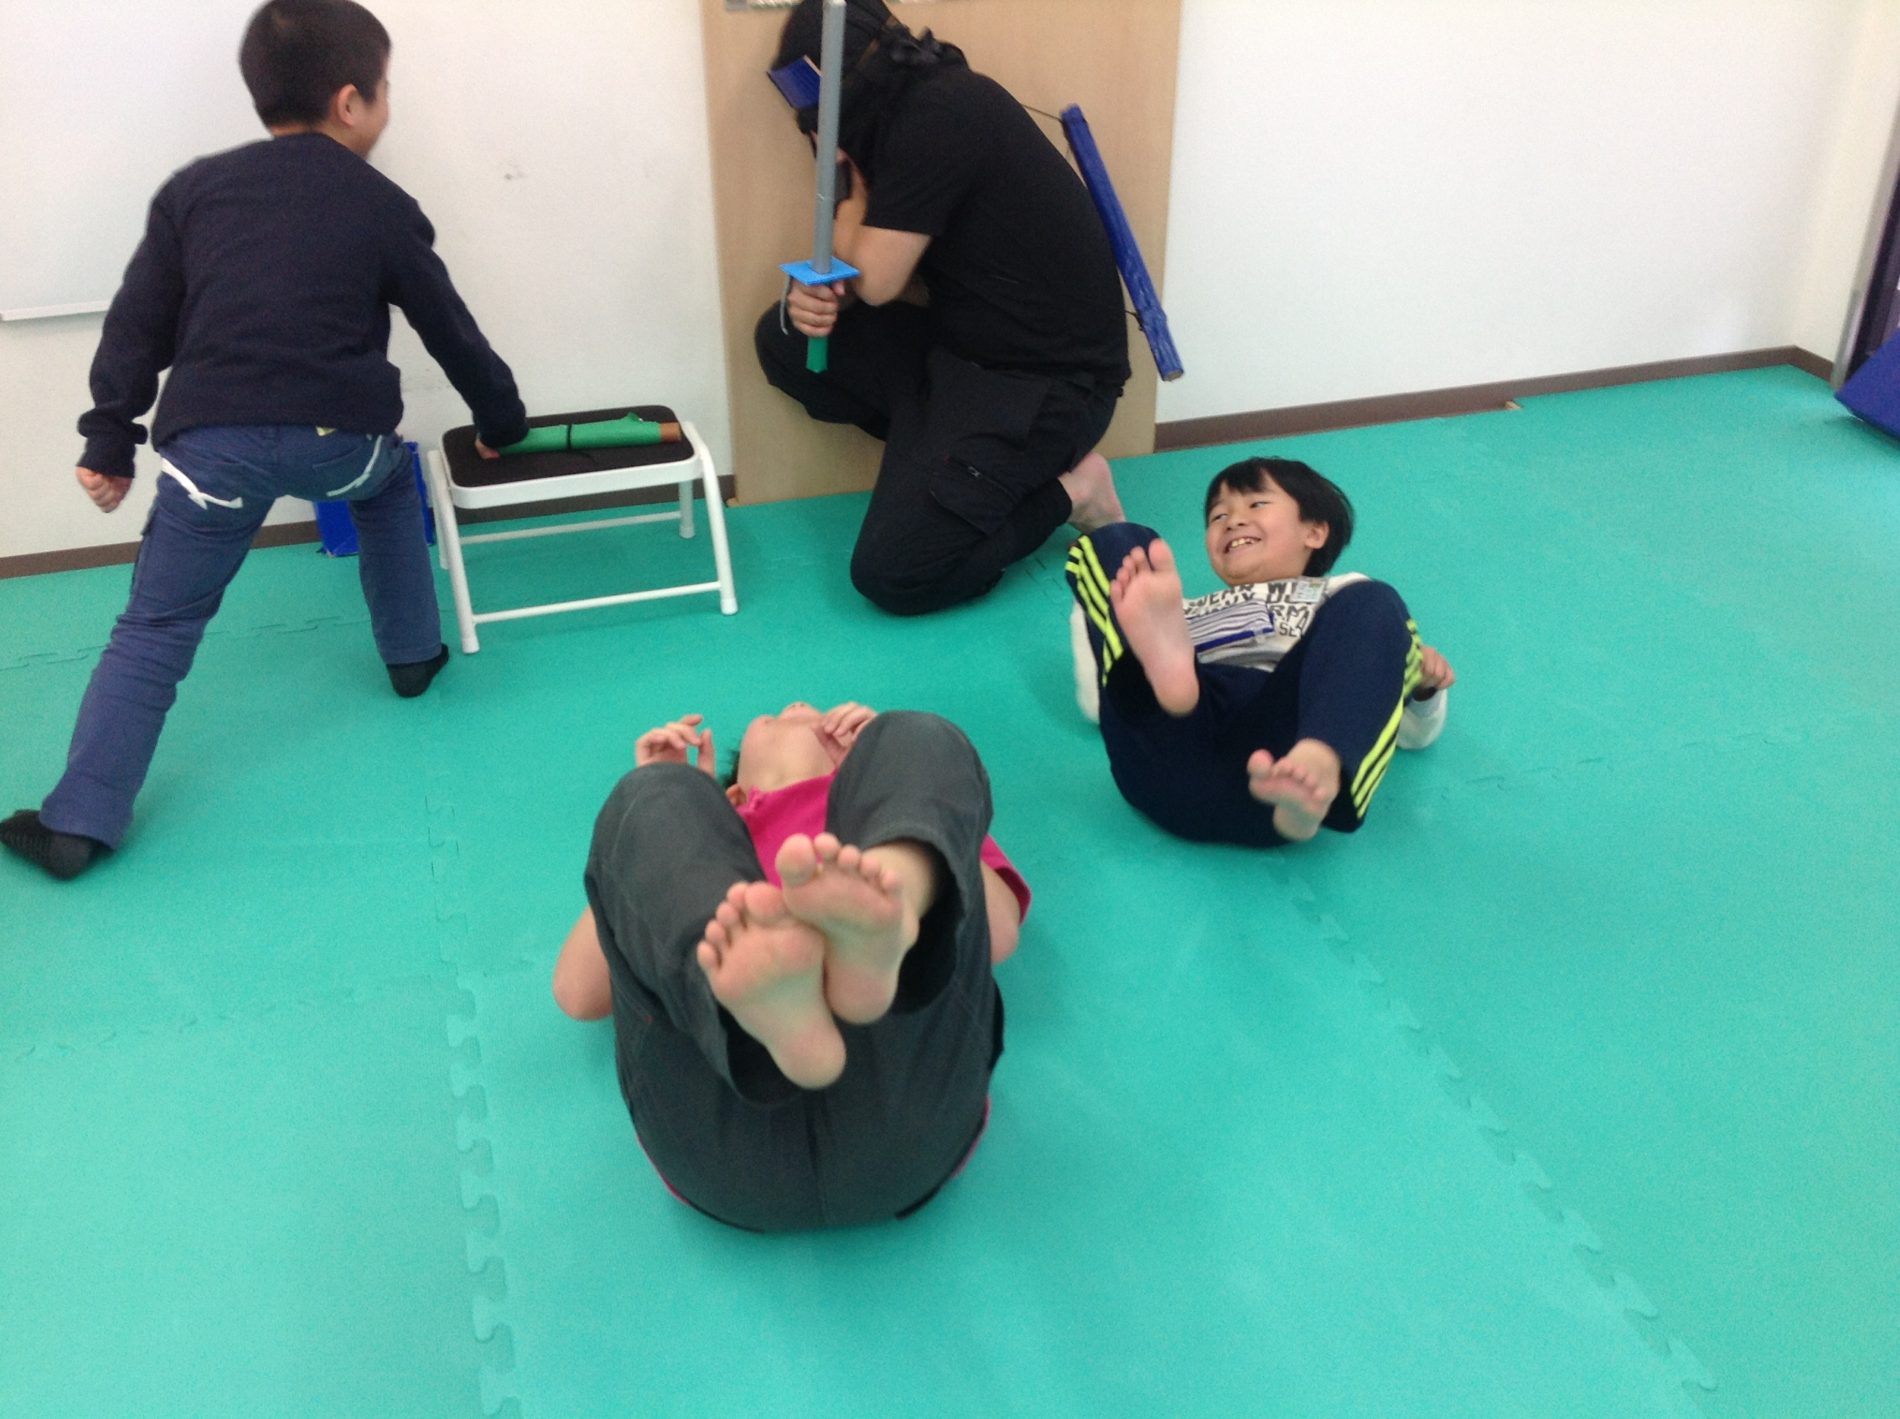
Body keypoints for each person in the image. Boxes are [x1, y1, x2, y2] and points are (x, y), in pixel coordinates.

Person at [0, 0, 529, 881]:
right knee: (389, 483)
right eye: (386, 89)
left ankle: (78, 822)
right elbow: (450, 328)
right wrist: (502, 421)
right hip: (342, 444)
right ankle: (411, 657)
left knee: (157, 623)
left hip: (213, 452)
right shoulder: (384, 204)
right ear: (352, 101)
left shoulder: (193, 192)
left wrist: (110, 438)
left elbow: (138, 324)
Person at [553, 701, 1028, 1232]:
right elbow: (579, 991)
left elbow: (999, 929)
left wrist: (891, 790)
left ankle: (893, 898)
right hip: (749, 1123)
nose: (801, 707)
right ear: (734, 792)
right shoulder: (704, 841)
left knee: (915, 735)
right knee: (651, 795)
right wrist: (673, 823)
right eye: (777, 717)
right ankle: (761, 1016)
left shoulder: (884, 806)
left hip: (871, 1110)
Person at [756, 0, 1130, 616]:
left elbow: (876, 281)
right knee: (785, 341)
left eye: (820, 117)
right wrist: (812, 299)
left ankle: (1076, 492)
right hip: (963, 349)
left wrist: (846, 189)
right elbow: (861, 270)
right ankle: (946, 470)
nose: (819, 136)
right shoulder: (902, 110)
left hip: (1049, 384)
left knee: (894, 574)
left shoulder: (940, 114)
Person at [1065, 457, 1456, 847]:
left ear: (1315, 532)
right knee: (1120, 543)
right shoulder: (1170, 607)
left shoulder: (1339, 596)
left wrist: (1423, 691)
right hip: (1170, 741)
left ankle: (1320, 760)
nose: (1232, 521)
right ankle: (1165, 677)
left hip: (1276, 750)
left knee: (1375, 601)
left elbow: (1410, 732)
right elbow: (1099, 701)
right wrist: (1116, 627)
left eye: (1256, 504)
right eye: (1218, 516)